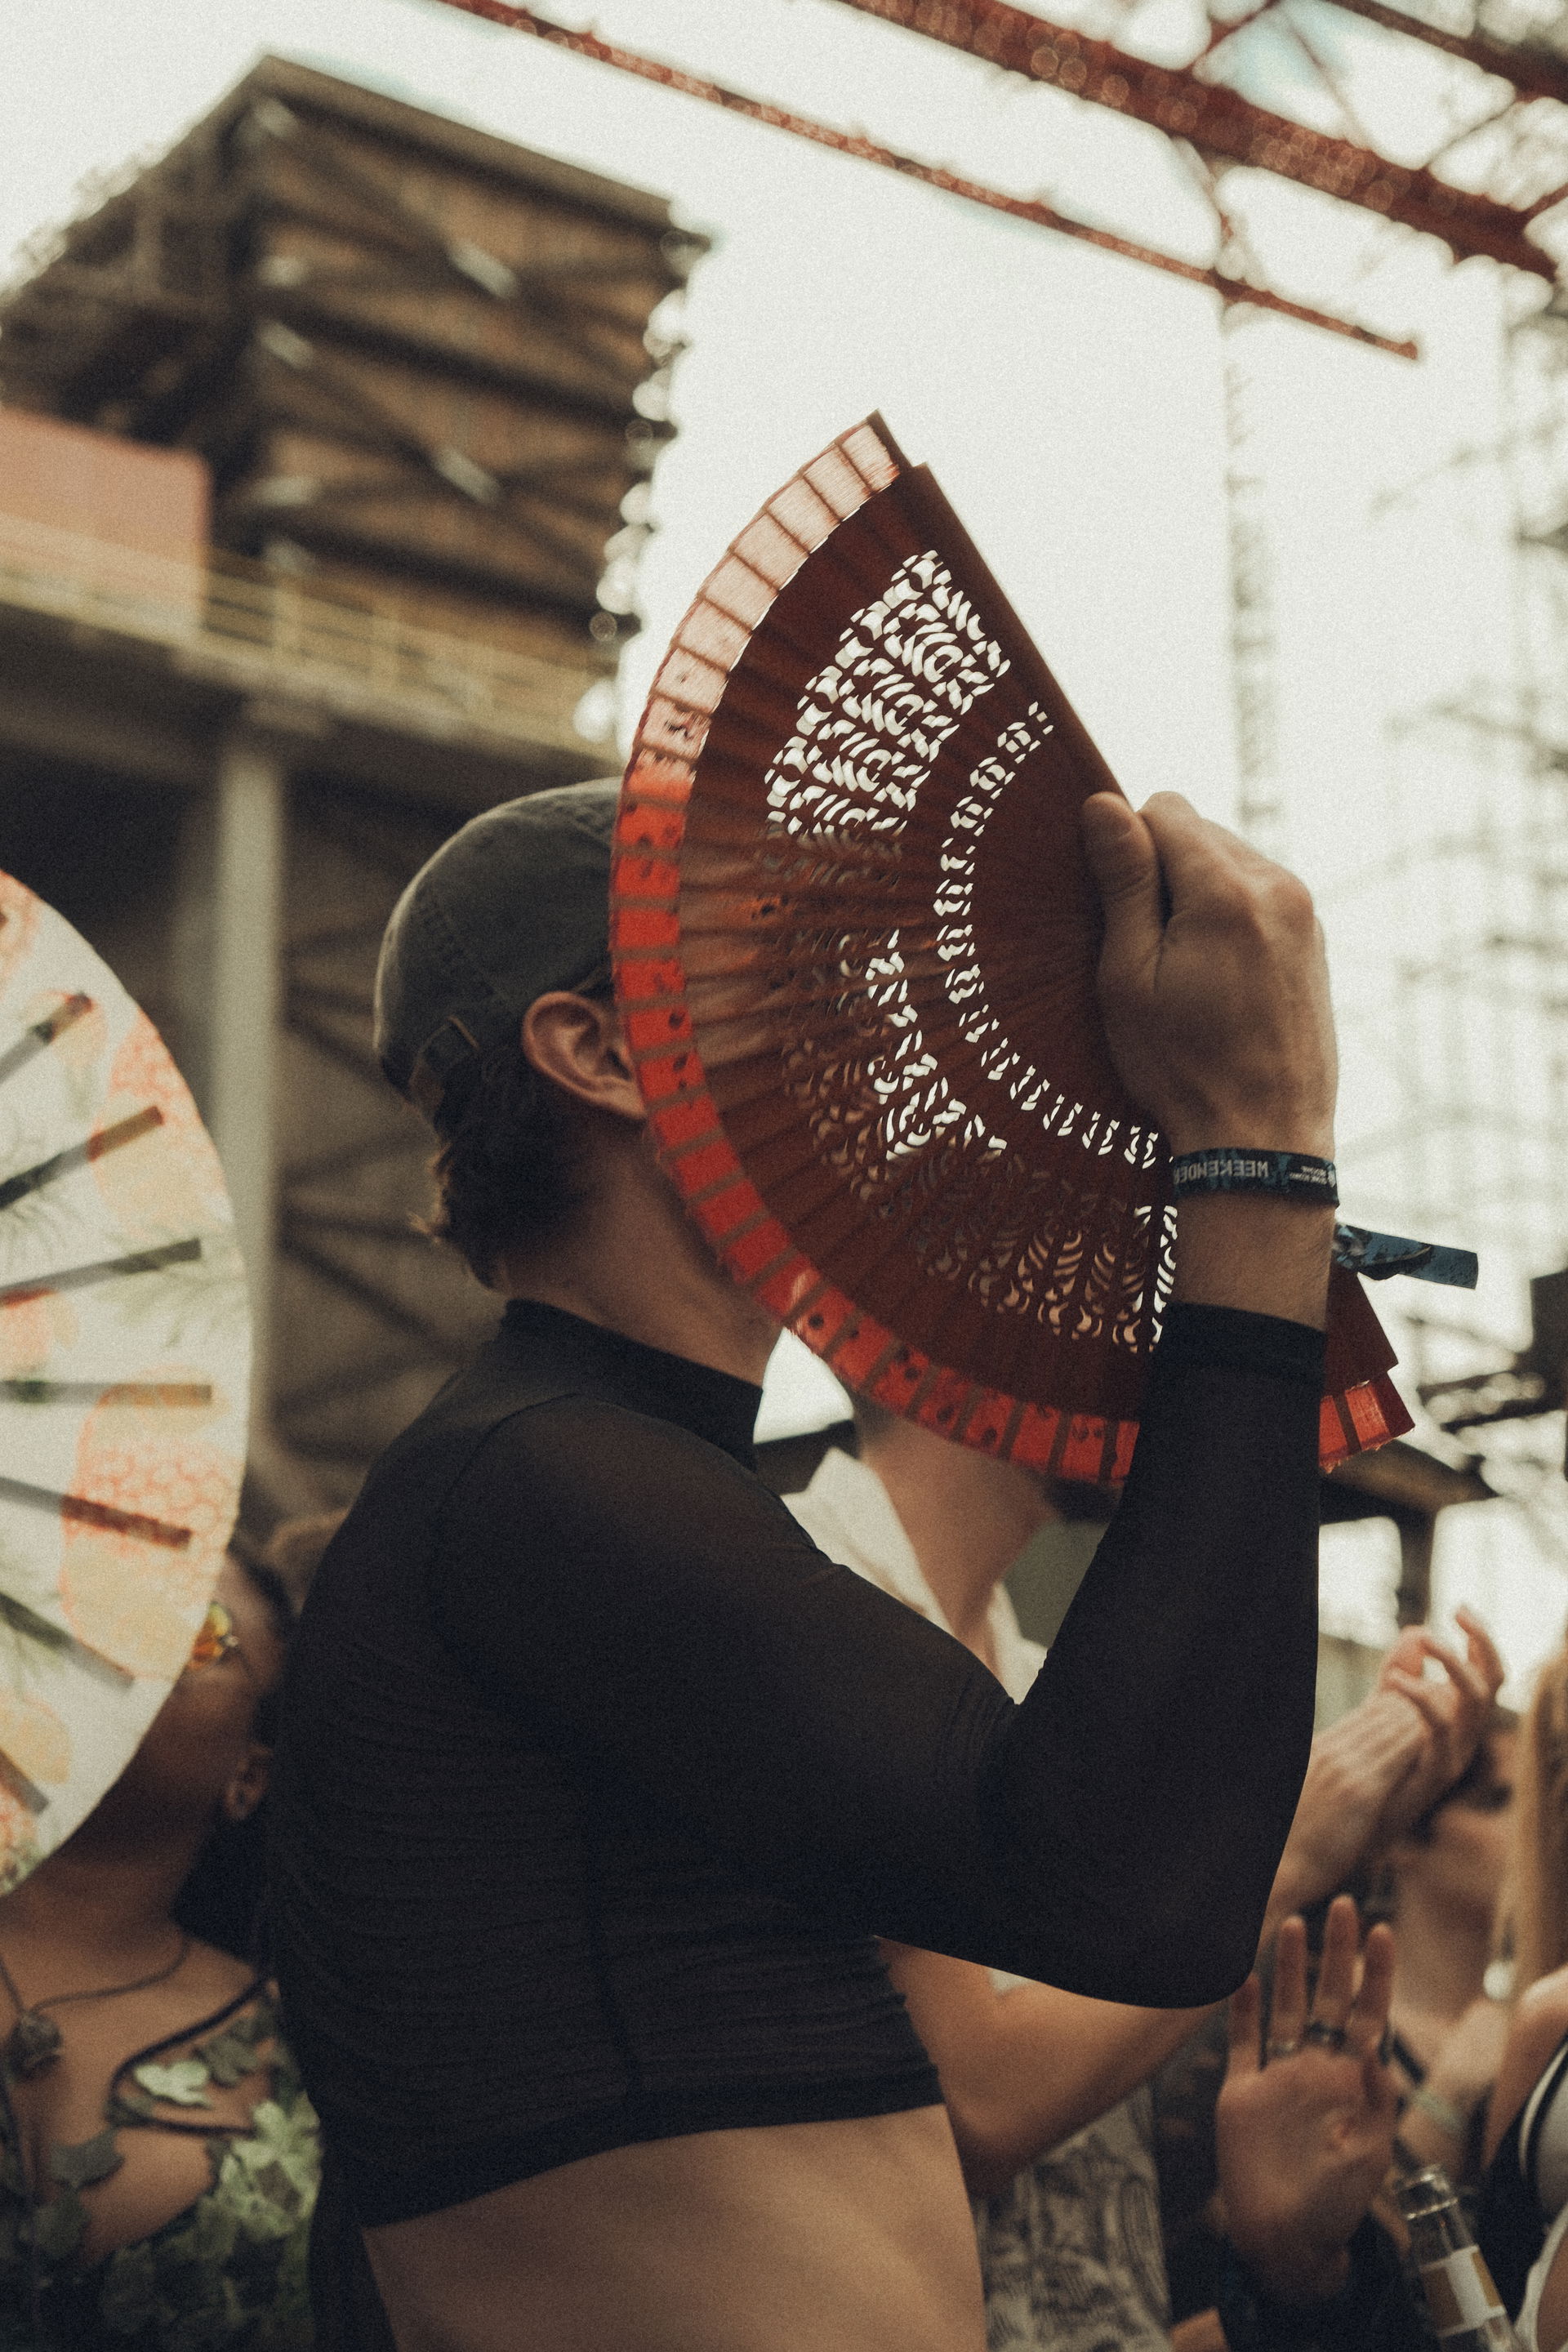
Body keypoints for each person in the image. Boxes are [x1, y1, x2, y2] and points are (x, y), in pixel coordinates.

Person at [268, 773, 1346, 2352]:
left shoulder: (607, 1491)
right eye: (796, 990)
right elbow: (1124, 1877)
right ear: (605, 1052)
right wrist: (1256, 1160)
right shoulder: (529, 1487)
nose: (871, 1046)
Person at [790, 1403, 1504, 2350]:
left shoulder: (1040, 1686)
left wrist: (1282, 2262)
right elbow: (979, 2105)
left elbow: (1088, 2219)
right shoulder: (809, 1589)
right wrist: (1281, 1855)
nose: (1160, 1344)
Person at [0, 1530, 327, 2351]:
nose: (123, 1639)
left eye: (195, 1630)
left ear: (251, 1772)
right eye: (94, 1612)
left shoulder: (316, 2048)